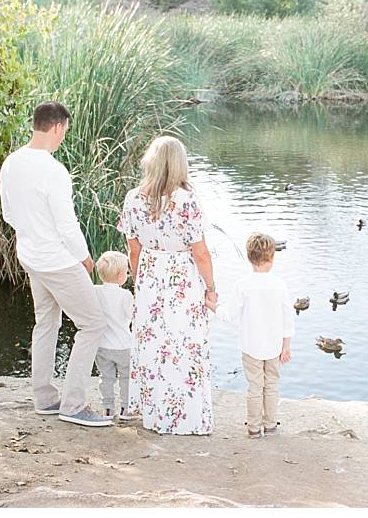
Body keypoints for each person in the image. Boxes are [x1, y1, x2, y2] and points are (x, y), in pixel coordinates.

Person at [0, 101, 111, 427]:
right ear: (59, 127)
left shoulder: (11, 163)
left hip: (31, 256)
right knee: (93, 325)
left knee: (46, 323)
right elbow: (66, 225)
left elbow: (8, 214)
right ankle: (74, 405)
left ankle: (45, 398)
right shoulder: (53, 170)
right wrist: (85, 257)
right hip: (58, 260)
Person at [116, 136, 216, 435]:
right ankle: (185, 415)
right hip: (182, 277)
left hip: (150, 275)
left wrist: (139, 281)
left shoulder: (133, 197)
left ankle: (154, 412)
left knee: (153, 344)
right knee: (184, 344)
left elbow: (133, 250)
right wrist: (211, 287)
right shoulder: (188, 200)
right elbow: (201, 253)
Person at [206, 233, 294, 437]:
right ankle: (270, 424)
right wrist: (286, 345)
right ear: (272, 258)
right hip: (274, 347)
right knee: (271, 385)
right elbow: (287, 318)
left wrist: (212, 306)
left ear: (248, 257)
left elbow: (228, 315)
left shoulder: (242, 285)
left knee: (255, 387)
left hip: (251, 347)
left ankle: (254, 428)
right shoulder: (279, 284)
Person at [92, 251, 134, 421]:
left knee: (106, 378)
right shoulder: (125, 295)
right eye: (126, 272)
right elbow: (132, 315)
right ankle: (126, 407)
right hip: (123, 345)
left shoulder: (95, 291)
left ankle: (108, 408)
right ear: (119, 276)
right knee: (126, 377)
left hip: (102, 345)